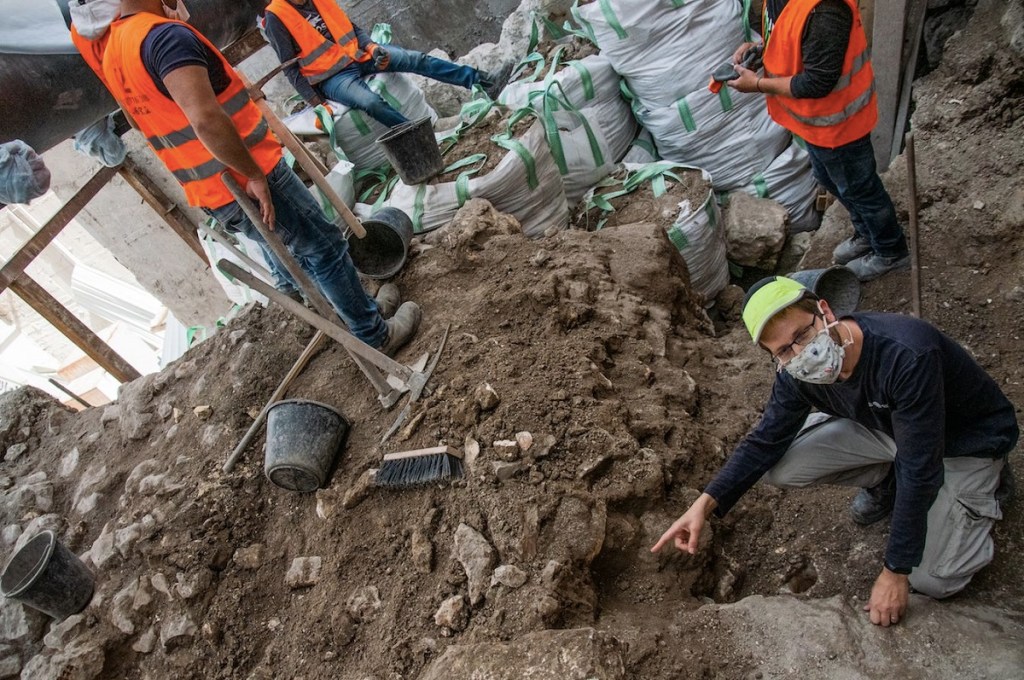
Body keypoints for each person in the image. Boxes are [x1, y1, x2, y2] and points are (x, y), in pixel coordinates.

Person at [652, 275, 1018, 627]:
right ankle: (886, 481)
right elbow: (766, 439)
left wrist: (895, 570)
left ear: (825, 312)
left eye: (802, 334)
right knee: (783, 466)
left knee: (934, 581)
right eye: (783, 350)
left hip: (964, 442)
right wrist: (704, 504)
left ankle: (987, 486)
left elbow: (920, 470)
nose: (800, 353)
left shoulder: (906, 355)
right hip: (890, 429)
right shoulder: (795, 374)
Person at [99, 0, 421, 355]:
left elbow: (150, 116)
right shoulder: (164, 38)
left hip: (210, 186)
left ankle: (362, 312)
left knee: (304, 250)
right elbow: (205, 119)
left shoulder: (116, 48)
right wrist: (253, 174)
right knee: (324, 246)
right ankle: (375, 334)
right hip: (247, 174)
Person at [728, 0, 909, 282]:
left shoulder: (825, 10)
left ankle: (891, 251)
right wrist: (762, 49)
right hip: (815, 124)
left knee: (860, 189)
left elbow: (817, 82)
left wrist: (759, 85)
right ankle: (865, 234)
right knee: (831, 180)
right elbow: (789, 36)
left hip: (840, 124)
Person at [262, 0, 513, 127]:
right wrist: (317, 104)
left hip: (359, 55)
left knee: (415, 59)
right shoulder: (276, 15)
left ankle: (484, 82)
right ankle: (418, 136)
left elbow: (351, 28)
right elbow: (290, 69)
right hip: (332, 78)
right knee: (370, 102)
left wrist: (372, 46)